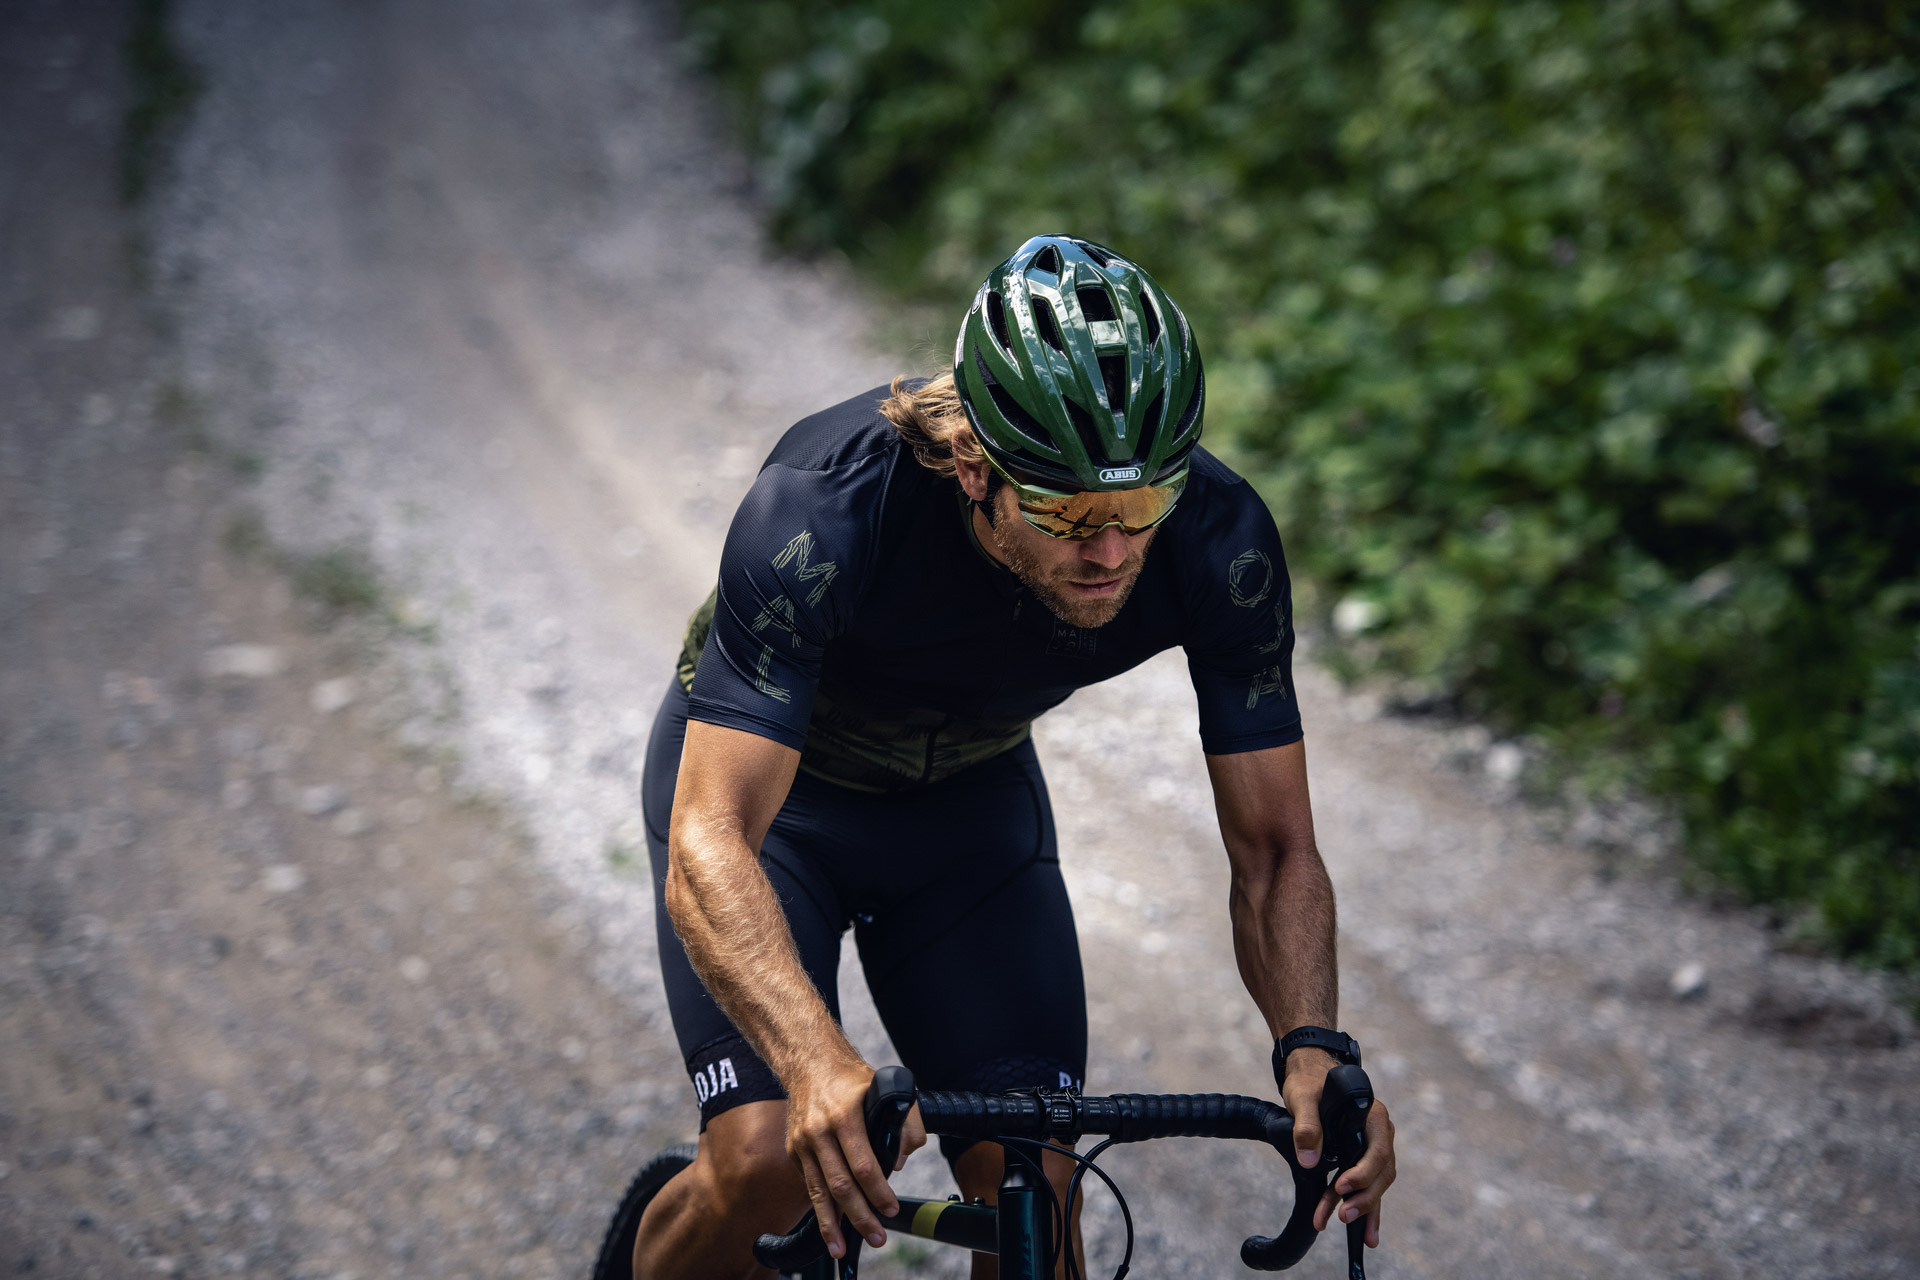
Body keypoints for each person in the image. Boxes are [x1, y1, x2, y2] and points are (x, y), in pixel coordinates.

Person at [633, 234, 1395, 1279]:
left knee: (1036, 1191)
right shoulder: (822, 510)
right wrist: (813, 1061)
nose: (1111, 551)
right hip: (784, 812)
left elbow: (1273, 848)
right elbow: (710, 838)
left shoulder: (1222, 543)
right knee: (767, 1160)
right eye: (1068, 512)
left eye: (1141, 506)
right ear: (972, 465)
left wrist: (1313, 1043)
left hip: (967, 813)